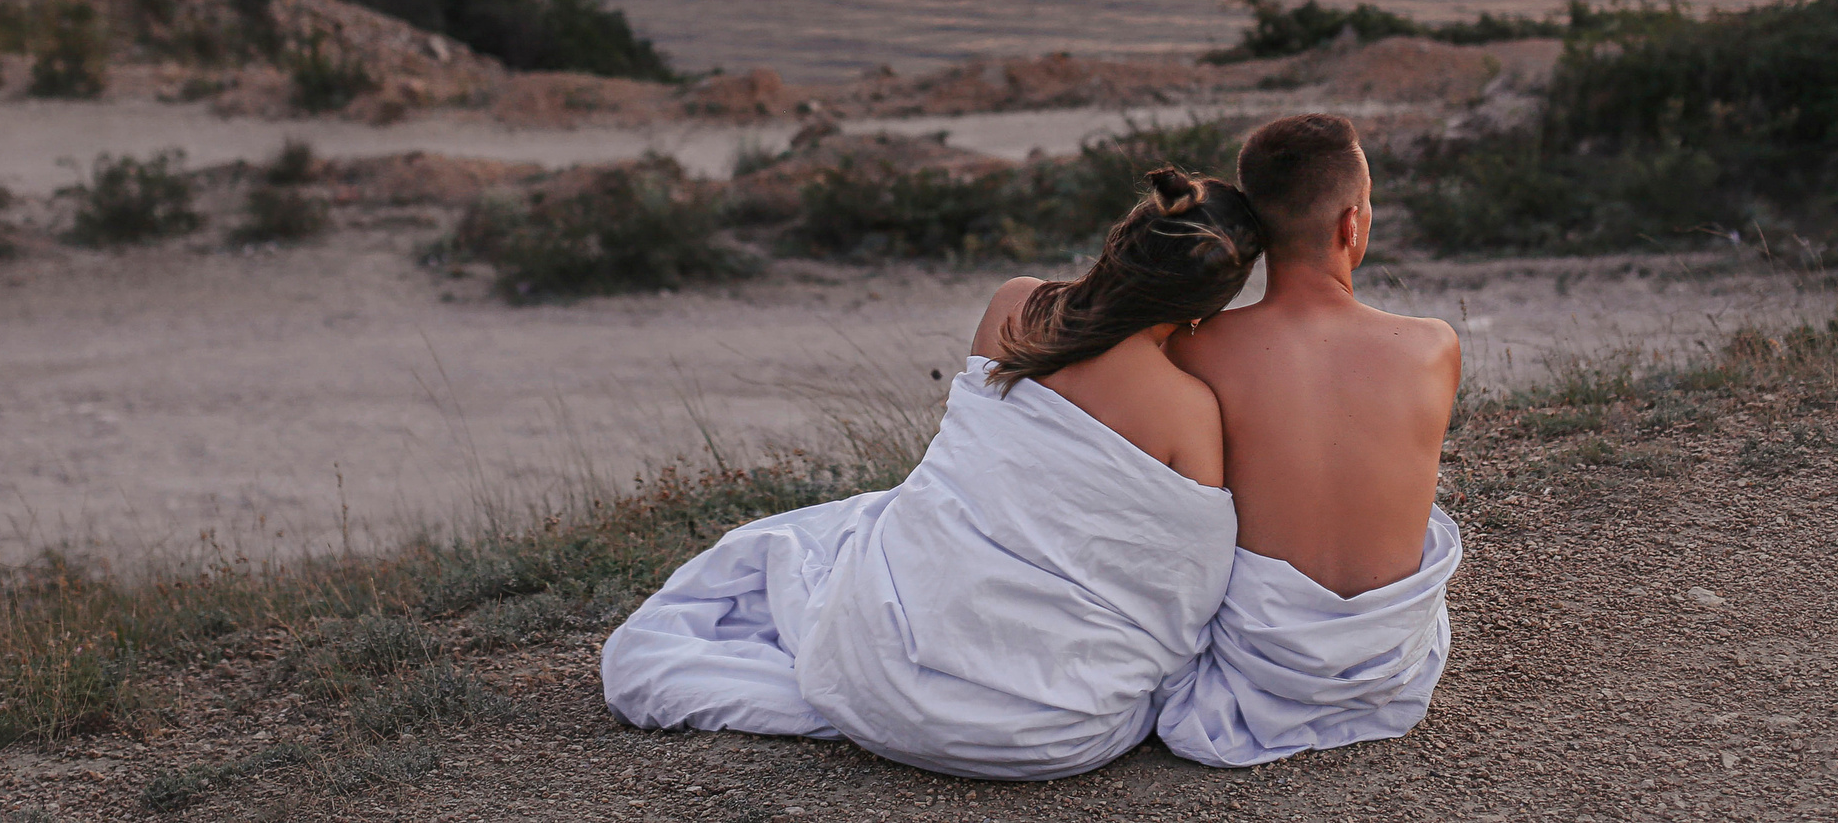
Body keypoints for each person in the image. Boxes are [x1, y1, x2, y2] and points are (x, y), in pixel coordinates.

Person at [602, 167, 1266, 780]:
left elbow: (984, 468)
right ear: (1204, 309)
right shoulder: (1188, 410)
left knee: (844, 534)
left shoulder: (1018, 306)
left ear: (1127, 237)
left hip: (874, 679)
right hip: (1055, 730)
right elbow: (1188, 590)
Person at [1157, 112, 1465, 767]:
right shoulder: (1435, 346)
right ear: (1352, 223)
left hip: (1260, 675)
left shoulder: (1195, 348)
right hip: (1391, 676)